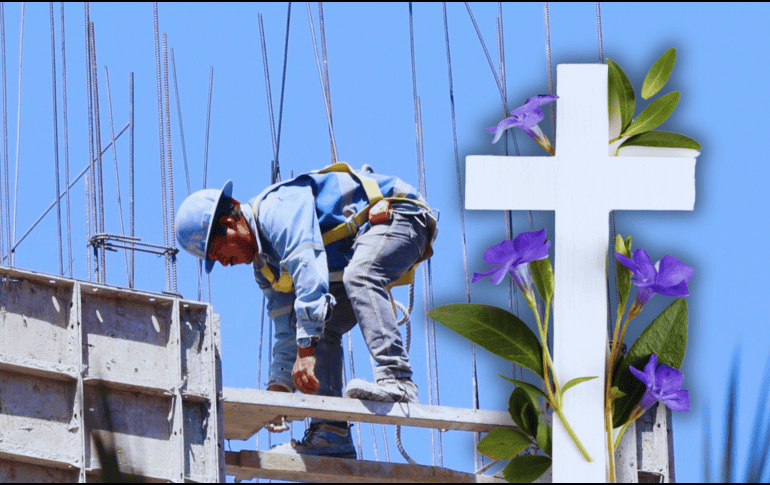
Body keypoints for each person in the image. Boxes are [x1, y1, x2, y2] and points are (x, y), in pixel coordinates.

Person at [175, 162, 437, 458]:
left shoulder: (277, 209)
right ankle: (331, 432)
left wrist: (305, 349)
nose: (223, 261)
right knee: (318, 329)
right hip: (368, 242)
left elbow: (308, 270)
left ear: (232, 217)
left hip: (401, 216)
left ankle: (397, 380)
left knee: (358, 277)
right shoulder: (266, 269)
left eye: (218, 249)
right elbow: (286, 329)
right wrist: (280, 389)